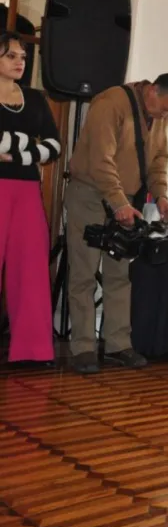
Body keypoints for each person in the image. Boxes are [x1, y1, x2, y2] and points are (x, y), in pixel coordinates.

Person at [66, 73, 168, 374]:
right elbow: (100, 159)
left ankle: (117, 344)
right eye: (165, 108)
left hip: (125, 202)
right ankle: (83, 347)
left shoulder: (158, 114)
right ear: (152, 90)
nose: (166, 116)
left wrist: (159, 195)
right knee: (84, 272)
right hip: (91, 196)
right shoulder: (111, 103)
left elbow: (158, 158)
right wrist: (118, 201)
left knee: (119, 274)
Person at [0, 32, 60, 363]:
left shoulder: (35, 99)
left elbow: (54, 146)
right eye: (10, 56)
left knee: (32, 267)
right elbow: (38, 147)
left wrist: (13, 148)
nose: (20, 61)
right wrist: (27, 147)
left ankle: (33, 350)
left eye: (22, 56)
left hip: (27, 190)